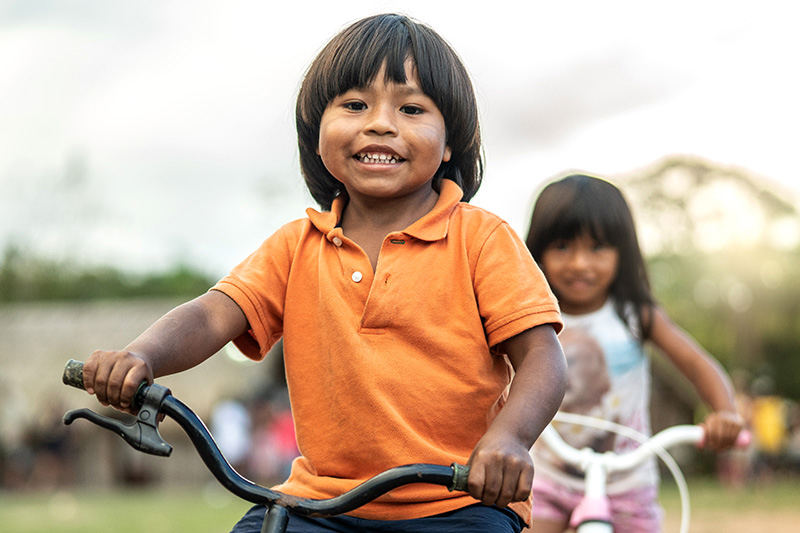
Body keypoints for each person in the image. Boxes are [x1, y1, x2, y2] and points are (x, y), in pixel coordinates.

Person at [81, 14, 567, 533]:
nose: (380, 123)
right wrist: (142, 356)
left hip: (456, 502)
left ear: (450, 143)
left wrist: (509, 439)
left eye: (411, 108)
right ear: (317, 135)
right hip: (320, 506)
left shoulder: (481, 239)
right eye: (355, 105)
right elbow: (212, 315)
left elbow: (542, 356)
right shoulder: (295, 246)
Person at [523, 174, 744, 533]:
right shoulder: (530, 314)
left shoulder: (635, 314)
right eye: (563, 247)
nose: (580, 263)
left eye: (597, 248)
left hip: (628, 483)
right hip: (546, 478)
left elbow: (695, 362)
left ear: (621, 252)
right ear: (538, 250)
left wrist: (725, 412)